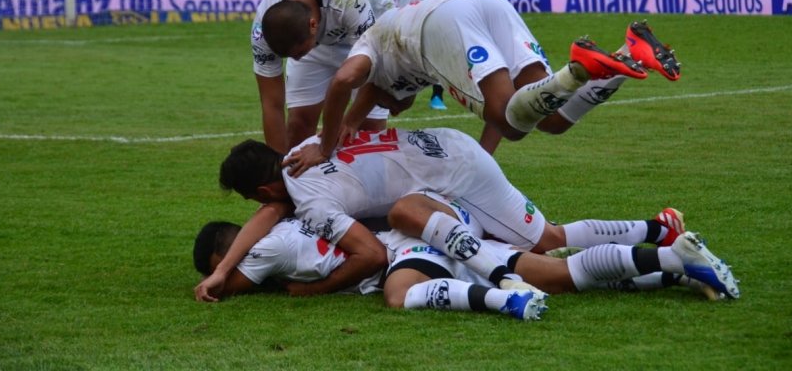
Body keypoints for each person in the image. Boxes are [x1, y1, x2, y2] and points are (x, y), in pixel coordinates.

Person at [196, 128, 738, 302]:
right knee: (544, 250)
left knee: (544, 245)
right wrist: (225, 271)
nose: (265, 209)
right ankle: (659, 234)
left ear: (265, 187)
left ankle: (497, 280)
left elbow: (368, 253)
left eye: (258, 199)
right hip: (445, 152)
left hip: (454, 180)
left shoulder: (309, 198)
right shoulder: (311, 143)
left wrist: (310, 292)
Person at [283, 0, 679, 159]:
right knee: (552, 119)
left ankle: (578, 67)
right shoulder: (392, 72)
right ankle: (633, 52)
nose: (397, 111)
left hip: (441, 23)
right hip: (485, 0)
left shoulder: (369, 49)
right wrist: (483, 162)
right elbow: (374, 97)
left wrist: (326, 144)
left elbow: (343, 80)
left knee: (512, 120)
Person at [193, 203, 737, 314]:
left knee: (398, 294)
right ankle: (667, 264)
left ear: (228, 250)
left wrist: (218, 279)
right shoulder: (292, 210)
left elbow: (230, 286)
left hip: (417, 237)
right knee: (551, 253)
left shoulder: (264, 248)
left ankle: (506, 300)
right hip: (448, 205)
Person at [251, 0, 394, 155]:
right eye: (289, 57)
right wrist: (278, 172)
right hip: (317, 37)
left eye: (298, 53)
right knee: (299, 124)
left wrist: (344, 125)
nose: (294, 59)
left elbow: (373, 76)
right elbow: (271, 104)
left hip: (372, 28)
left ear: (313, 25)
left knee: (367, 130)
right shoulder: (262, 31)